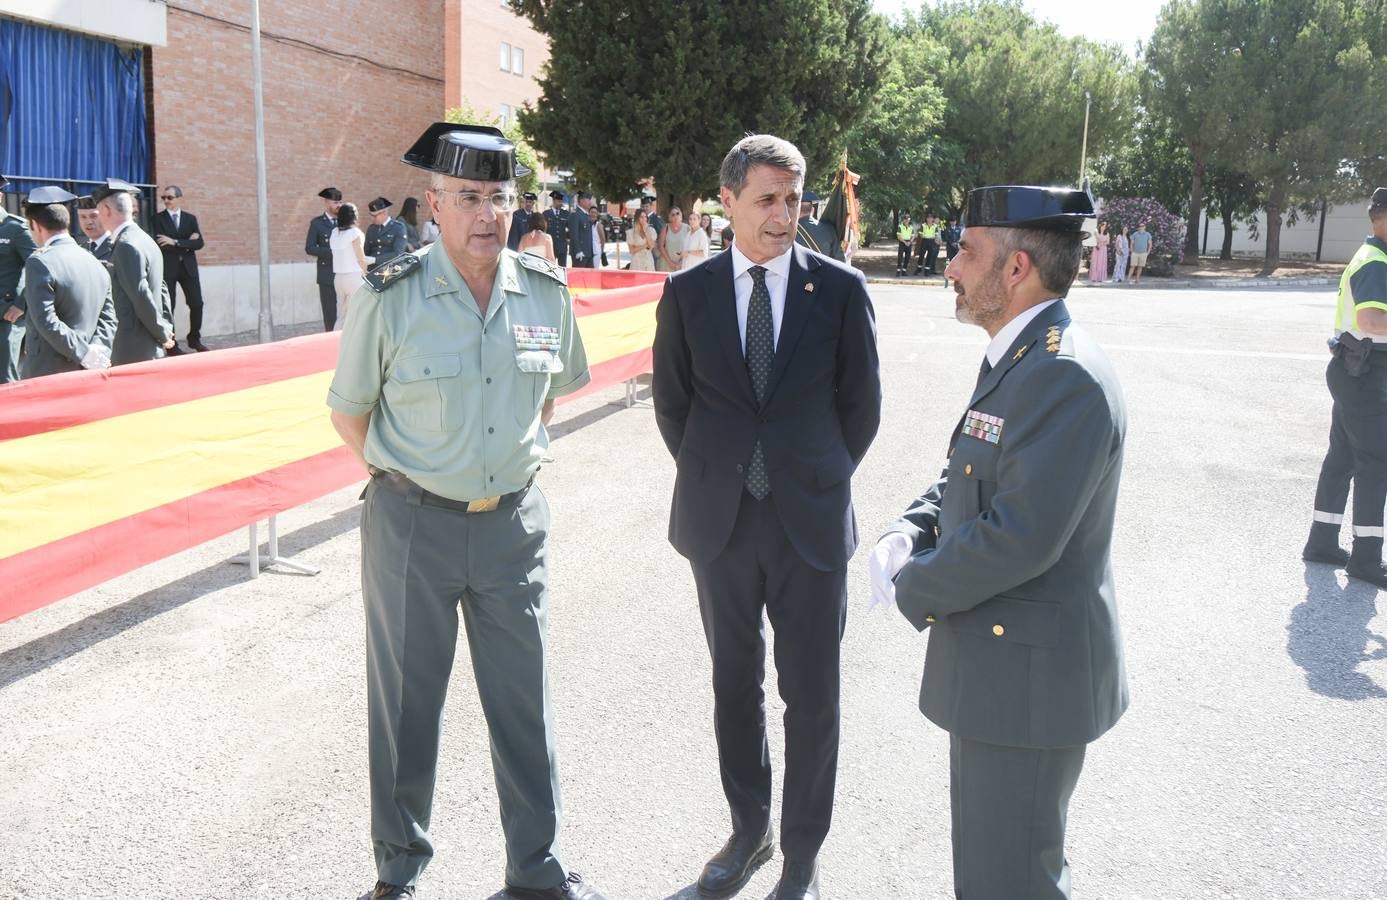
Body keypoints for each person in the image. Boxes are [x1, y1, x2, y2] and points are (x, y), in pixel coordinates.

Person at [326, 122, 604, 900]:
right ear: (436, 205)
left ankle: (535, 870)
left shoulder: (543, 293)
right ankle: (400, 870)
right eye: (470, 197)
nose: (488, 214)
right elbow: (351, 413)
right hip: (414, 523)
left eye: (501, 198)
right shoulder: (391, 296)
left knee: (524, 703)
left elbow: (548, 392)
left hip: (513, 524)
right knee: (406, 704)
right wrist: (411, 478)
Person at [869, 184, 1127, 900]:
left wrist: (909, 584)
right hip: (1002, 672)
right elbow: (970, 475)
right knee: (991, 870)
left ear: (1014, 270)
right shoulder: (1023, 358)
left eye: (965, 251)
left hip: (1027, 685)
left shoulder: (1060, 373)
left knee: (1009, 880)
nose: (950, 266)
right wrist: (909, 527)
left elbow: (1018, 536)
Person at [651, 134, 881, 900]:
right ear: (729, 201)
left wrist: (808, 478)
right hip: (719, 524)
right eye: (768, 200)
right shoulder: (688, 293)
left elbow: (861, 409)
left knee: (811, 695)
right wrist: (727, 476)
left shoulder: (840, 291)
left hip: (808, 524)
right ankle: (749, 832)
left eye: (795, 199)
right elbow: (674, 408)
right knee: (733, 683)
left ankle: (802, 855)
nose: (785, 215)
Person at [1302, 187, 1387, 587]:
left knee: (1343, 458)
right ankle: (1366, 558)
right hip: (1365, 373)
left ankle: (1322, 542)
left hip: (1354, 369)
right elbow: (1371, 321)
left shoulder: (1371, 255)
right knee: (1375, 462)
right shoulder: (1376, 262)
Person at [16, 187, 116, 379]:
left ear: (36, 226)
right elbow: (109, 317)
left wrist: (84, 352)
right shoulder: (93, 260)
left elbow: (45, 319)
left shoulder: (40, 261)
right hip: (90, 367)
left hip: (49, 370)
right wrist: (95, 349)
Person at [96, 179, 175, 365]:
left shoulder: (126, 245)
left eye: (98, 212)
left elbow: (141, 294)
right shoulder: (144, 238)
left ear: (107, 210)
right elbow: (162, 289)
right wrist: (165, 325)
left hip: (132, 347)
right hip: (146, 344)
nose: (98, 217)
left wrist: (162, 332)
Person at [153, 184, 208, 353]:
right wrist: (187, 242)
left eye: (169, 197)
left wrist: (175, 241)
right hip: (168, 268)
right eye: (164, 198)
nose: (166, 201)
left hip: (188, 268)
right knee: (169, 308)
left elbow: (199, 243)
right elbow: (162, 244)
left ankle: (194, 339)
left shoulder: (190, 219)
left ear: (179, 199)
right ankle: (172, 345)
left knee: (197, 303)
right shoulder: (157, 219)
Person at [0, 174, 39, 382]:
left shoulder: (15, 228)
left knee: (5, 378)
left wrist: (21, 305)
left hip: (6, 317)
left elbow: (39, 266)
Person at [307, 187, 344, 330]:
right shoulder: (317, 223)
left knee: (346, 313)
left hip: (344, 274)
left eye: (340, 202)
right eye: (335, 202)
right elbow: (310, 248)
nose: (339, 205)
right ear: (326, 202)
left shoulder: (345, 222)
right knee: (330, 315)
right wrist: (332, 252)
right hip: (327, 275)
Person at [329, 202, 370, 325]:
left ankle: (336, 341)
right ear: (354, 216)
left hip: (338, 278)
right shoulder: (355, 233)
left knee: (341, 315)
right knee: (356, 314)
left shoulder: (334, 232)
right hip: (354, 277)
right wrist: (366, 271)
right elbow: (360, 257)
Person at [793, 190, 843, 262]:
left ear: (796, 210)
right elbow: (840, 260)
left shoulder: (789, 231)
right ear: (813, 210)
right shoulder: (829, 229)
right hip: (825, 272)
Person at [365, 197, 409, 270]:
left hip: (389, 269)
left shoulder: (398, 227)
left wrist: (375, 260)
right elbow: (366, 250)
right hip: (371, 269)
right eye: (371, 216)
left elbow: (398, 253)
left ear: (384, 212)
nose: (372, 219)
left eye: (375, 216)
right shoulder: (371, 228)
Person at [77, 199, 113, 263]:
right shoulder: (80, 250)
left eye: (93, 216)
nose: (88, 222)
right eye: (83, 217)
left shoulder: (117, 247)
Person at [567, 192, 597, 268]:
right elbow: (574, 234)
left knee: (589, 278)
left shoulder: (586, 215)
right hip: (580, 254)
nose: (590, 202)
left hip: (588, 253)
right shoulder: (575, 215)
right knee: (578, 278)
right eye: (588, 199)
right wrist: (578, 251)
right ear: (581, 200)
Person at [659, 206, 690, 271]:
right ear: (669, 217)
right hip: (666, 262)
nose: (676, 216)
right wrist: (670, 263)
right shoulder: (666, 227)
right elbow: (661, 246)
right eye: (673, 214)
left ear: (681, 215)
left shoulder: (687, 228)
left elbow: (689, 247)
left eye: (677, 213)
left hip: (682, 264)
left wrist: (680, 263)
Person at [543, 191, 569, 266]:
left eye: (561, 201)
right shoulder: (546, 214)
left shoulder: (566, 214)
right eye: (558, 201)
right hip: (550, 246)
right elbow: (543, 231)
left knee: (562, 269)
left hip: (562, 247)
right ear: (553, 201)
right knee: (550, 269)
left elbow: (569, 230)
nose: (560, 203)